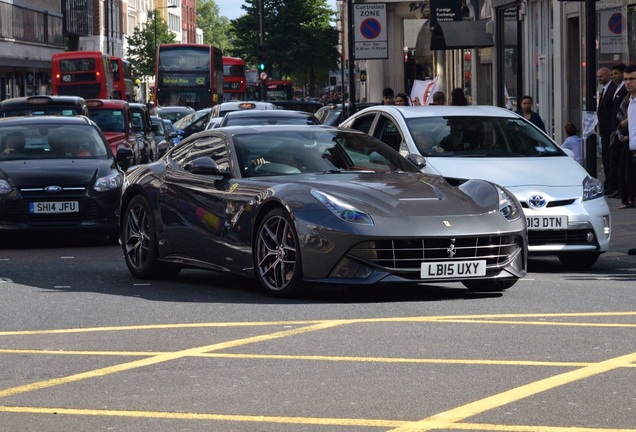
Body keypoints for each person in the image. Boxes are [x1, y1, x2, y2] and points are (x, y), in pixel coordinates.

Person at [605, 63, 628, 197]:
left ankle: (620, 188)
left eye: (616, 74)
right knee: (613, 159)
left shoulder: (624, 89)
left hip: (622, 130)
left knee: (619, 160)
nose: (614, 77)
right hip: (615, 129)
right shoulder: (618, 88)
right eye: (613, 74)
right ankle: (617, 187)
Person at [616, 64, 636, 211]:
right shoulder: (631, 103)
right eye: (626, 79)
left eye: (632, 79)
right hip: (631, 148)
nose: (628, 82)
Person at [597, 66, 618, 194]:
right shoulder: (604, 90)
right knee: (606, 158)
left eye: (601, 76)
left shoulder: (612, 89)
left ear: (608, 75)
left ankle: (612, 185)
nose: (599, 79)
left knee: (610, 159)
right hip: (604, 131)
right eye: (598, 76)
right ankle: (609, 183)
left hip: (609, 130)